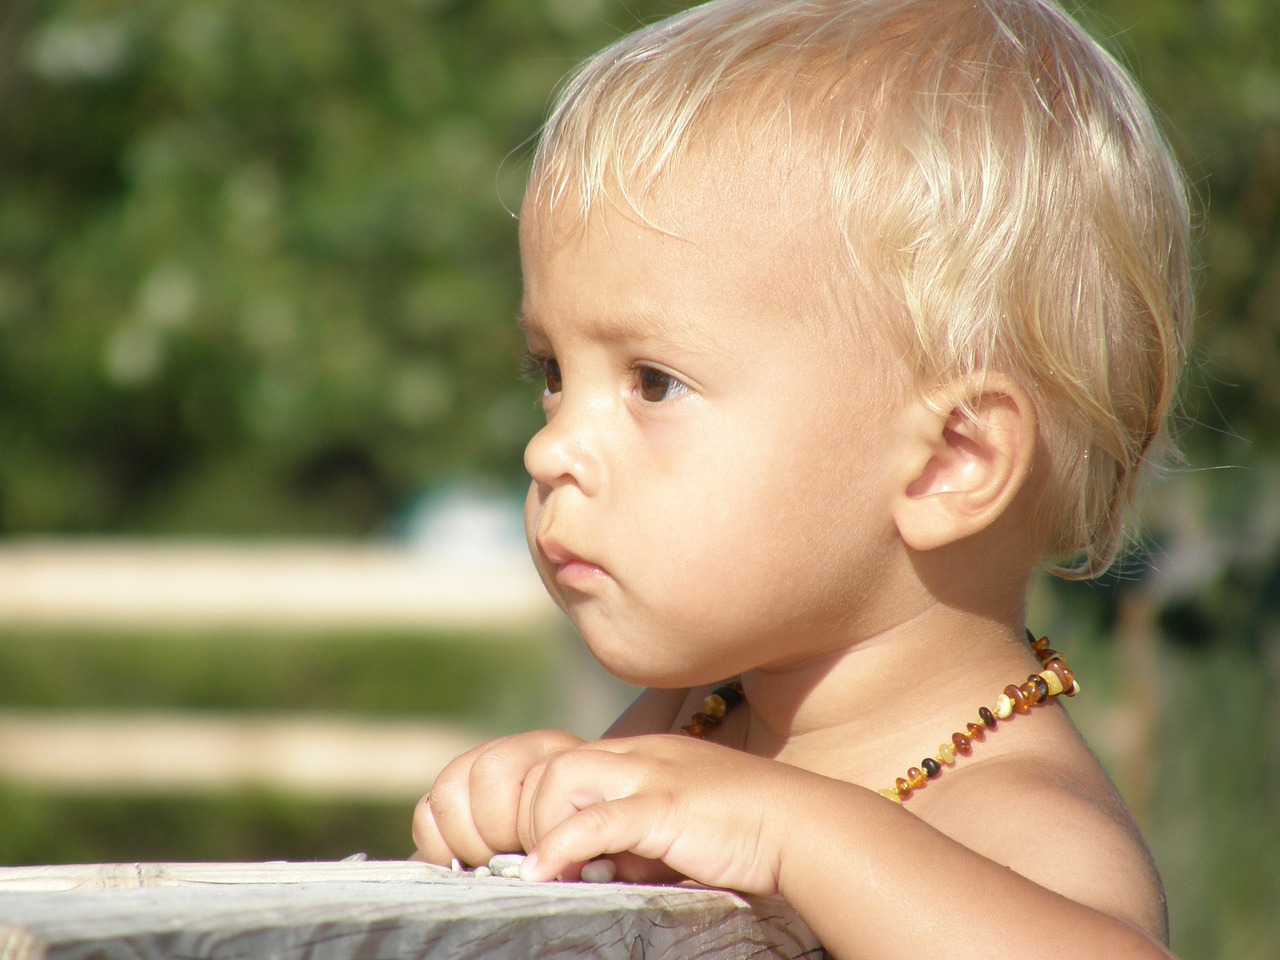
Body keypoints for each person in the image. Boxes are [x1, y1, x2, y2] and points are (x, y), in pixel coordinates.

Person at [411, 0, 1192, 956]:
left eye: (653, 381)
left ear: (953, 461)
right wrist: (539, 803)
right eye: (552, 374)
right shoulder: (700, 720)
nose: (549, 448)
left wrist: (792, 830)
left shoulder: (1007, 801)